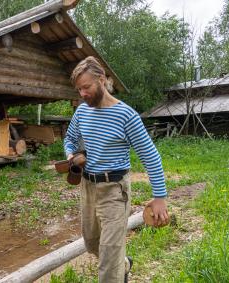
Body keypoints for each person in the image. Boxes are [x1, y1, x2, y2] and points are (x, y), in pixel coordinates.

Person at [64, 56, 169, 283]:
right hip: (88, 187)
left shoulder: (126, 115)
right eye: (79, 89)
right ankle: (124, 265)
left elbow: (150, 155)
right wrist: (71, 155)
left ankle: (116, 271)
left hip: (114, 191)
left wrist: (159, 197)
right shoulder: (82, 112)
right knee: (92, 243)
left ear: (101, 80)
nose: (82, 94)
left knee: (108, 264)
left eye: (86, 87)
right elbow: (70, 139)